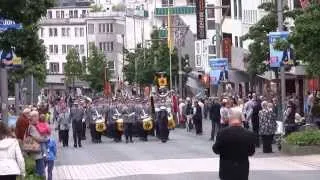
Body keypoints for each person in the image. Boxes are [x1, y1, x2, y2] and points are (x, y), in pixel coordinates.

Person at [212, 109, 256, 180]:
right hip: (242, 168)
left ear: (230, 120)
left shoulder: (222, 133)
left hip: (226, 167)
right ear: (241, 120)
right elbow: (251, 152)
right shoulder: (249, 134)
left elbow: (216, 149)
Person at [28, 110, 48, 177]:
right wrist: (45, 139)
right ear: (33, 117)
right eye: (36, 116)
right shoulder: (32, 127)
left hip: (37, 151)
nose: (38, 118)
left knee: (41, 169)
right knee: (40, 172)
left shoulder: (34, 125)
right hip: (36, 151)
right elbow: (38, 138)